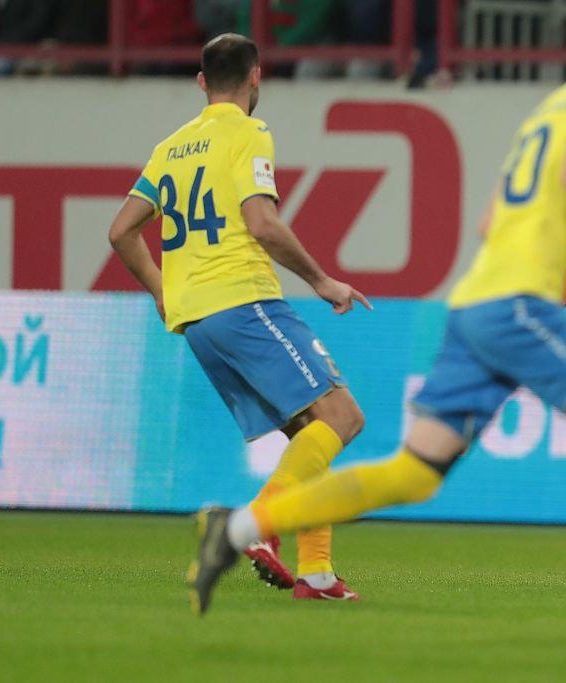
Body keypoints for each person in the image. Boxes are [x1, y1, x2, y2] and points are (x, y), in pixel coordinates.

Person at [189, 0, 566, 655]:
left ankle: (237, 528)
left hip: (474, 304)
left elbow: (489, 219)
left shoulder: (551, 108)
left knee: (414, 473)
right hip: (517, 305)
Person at [108, 33, 372, 604]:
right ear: (256, 78)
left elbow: (121, 230)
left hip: (198, 321)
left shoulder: (170, 148)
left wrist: (161, 290)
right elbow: (262, 224)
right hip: (244, 300)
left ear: (202, 82)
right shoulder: (249, 133)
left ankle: (317, 573)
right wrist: (322, 281)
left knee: (311, 434)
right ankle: (251, 526)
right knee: (343, 417)